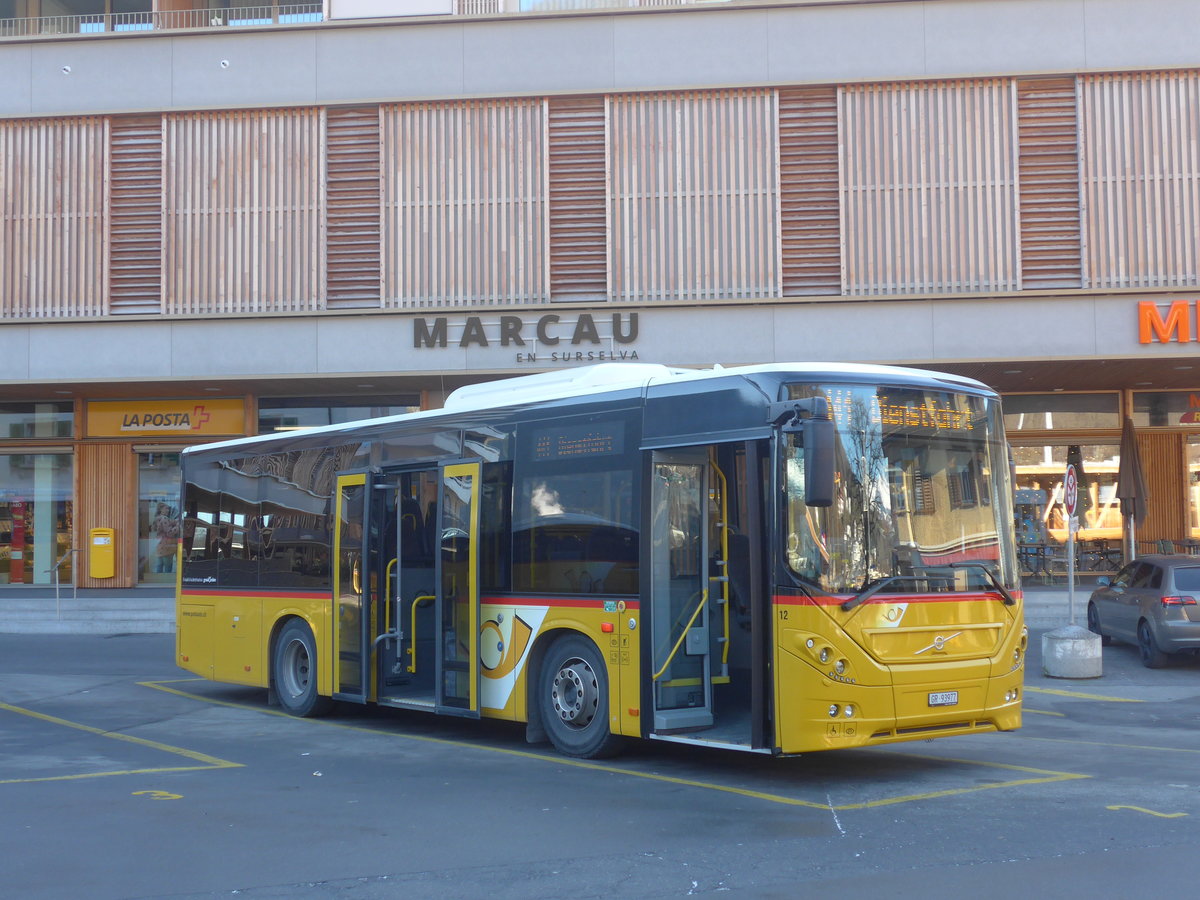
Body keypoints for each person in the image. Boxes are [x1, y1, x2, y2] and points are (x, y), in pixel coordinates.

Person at [152, 502, 179, 573]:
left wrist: (173, 522)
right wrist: (177, 527)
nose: (168, 510)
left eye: (168, 509)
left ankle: (158, 583)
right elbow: (169, 533)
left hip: (159, 546)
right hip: (167, 546)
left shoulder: (157, 518)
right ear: (161, 509)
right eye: (166, 508)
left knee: (159, 566)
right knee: (168, 567)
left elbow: (158, 529)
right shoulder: (164, 518)